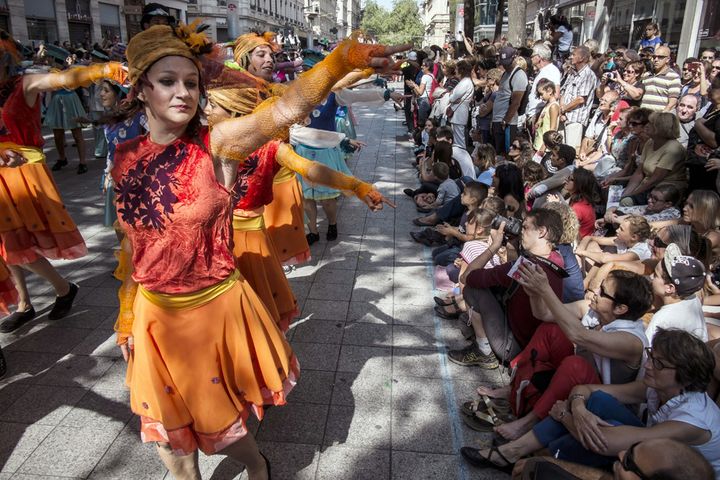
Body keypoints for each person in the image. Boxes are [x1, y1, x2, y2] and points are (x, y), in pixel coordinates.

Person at [110, 21, 405, 478]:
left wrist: (339, 63)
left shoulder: (220, 144)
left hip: (211, 307)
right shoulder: (124, 154)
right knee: (168, 432)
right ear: (141, 89)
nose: (183, 93)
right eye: (168, 82)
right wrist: (128, 315)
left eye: (192, 82)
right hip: (154, 314)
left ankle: (257, 464)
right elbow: (133, 240)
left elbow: (286, 108)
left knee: (222, 427)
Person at [0, 31, 128, 333]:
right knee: (6, 246)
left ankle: (62, 289)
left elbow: (62, 80)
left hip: (23, 174)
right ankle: (25, 304)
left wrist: (102, 70)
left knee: (16, 245)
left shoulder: (24, 84)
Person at [460, 329, 720, 477]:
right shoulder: (659, 387)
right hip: (652, 458)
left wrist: (566, 415)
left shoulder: (691, 420)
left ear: (684, 377)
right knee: (597, 402)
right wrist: (578, 407)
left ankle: (534, 458)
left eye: (660, 363)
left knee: (590, 433)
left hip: (670, 471)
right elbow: (586, 390)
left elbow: (611, 445)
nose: (649, 365)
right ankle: (518, 452)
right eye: (652, 356)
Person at [449, 208, 566, 368]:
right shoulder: (556, 259)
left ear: (542, 232)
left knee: (472, 289)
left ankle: (484, 352)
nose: (521, 231)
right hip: (529, 345)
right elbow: (510, 283)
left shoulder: (524, 267)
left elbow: (467, 277)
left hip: (510, 347)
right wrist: (512, 248)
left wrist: (494, 247)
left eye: (525, 227)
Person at [620, 112, 686, 206]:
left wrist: (631, 195)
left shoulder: (673, 149)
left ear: (660, 127)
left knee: (626, 202)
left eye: (650, 123)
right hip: (648, 187)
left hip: (664, 192)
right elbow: (639, 173)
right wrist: (626, 194)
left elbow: (655, 179)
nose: (646, 125)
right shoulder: (650, 142)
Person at [647, 244, 707, 344]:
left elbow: (645, 353)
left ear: (669, 288)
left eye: (655, 275)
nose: (651, 277)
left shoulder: (662, 319)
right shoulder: (692, 298)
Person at [492, 46, 528, 154]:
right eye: (503, 63)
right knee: (498, 152)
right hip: (498, 119)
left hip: (507, 122)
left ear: (515, 58)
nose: (505, 66)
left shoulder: (519, 75)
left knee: (506, 153)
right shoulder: (505, 74)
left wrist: (506, 120)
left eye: (508, 63)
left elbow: (516, 102)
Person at [560, 46, 597, 150]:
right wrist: (562, 110)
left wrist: (564, 109)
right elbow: (563, 91)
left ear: (581, 58)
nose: (571, 57)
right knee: (560, 151)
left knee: (570, 152)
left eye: (574, 55)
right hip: (563, 118)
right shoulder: (572, 73)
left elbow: (581, 99)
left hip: (575, 121)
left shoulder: (588, 75)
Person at [686, 78, 720, 192]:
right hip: (698, 168)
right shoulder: (712, 107)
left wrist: (698, 124)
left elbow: (714, 141)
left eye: (713, 87)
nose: (709, 89)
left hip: (711, 175)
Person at [526, 43, 561, 125]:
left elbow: (555, 94)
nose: (530, 58)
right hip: (533, 115)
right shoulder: (542, 71)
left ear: (539, 57)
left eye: (532, 55)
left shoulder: (552, 70)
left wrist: (540, 115)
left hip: (540, 118)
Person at [640, 46, 681, 112]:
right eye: (654, 57)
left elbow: (672, 102)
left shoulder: (673, 77)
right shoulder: (646, 75)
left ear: (667, 59)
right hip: (643, 116)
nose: (656, 60)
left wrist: (661, 116)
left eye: (660, 57)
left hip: (658, 117)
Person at [446, 59, 474, 149]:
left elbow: (452, 97)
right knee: (458, 138)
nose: (455, 71)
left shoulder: (465, 82)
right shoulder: (465, 82)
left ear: (461, 70)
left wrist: (452, 96)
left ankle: (461, 158)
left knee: (459, 140)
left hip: (459, 113)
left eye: (457, 69)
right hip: (459, 113)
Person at [532, 78, 560, 153]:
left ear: (550, 91)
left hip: (545, 147)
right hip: (538, 143)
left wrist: (544, 146)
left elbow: (552, 129)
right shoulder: (547, 105)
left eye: (541, 94)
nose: (540, 97)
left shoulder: (553, 106)